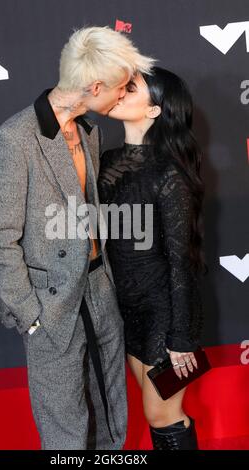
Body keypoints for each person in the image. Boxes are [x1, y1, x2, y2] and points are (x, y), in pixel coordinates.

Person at [0, 26, 155, 450]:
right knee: (66, 431)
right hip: (49, 303)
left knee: (113, 412)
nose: (122, 96)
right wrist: (32, 315)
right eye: (119, 88)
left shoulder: (90, 132)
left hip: (98, 286)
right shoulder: (13, 140)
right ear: (94, 86)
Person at [98, 67, 207, 450]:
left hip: (167, 312)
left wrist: (180, 336)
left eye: (132, 88)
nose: (120, 92)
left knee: (161, 415)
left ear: (155, 110)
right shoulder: (107, 161)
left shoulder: (170, 173)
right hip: (128, 312)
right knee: (153, 412)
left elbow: (181, 262)